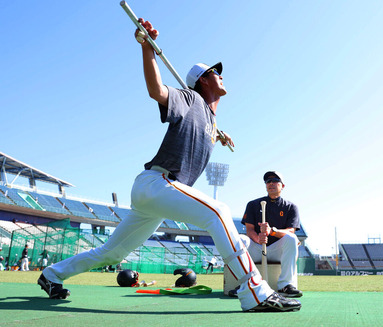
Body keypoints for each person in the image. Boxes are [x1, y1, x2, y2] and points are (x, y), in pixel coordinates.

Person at [38, 18, 301, 312]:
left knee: (112, 253)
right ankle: (255, 292)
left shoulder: (211, 119)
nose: (222, 76)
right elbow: (157, 91)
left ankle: (51, 274)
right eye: (216, 73)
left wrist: (218, 133)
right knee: (220, 211)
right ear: (203, 80)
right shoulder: (189, 98)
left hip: (159, 197)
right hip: (157, 183)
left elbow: (209, 120)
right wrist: (147, 48)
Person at [238, 171, 303, 298]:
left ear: (282, 185)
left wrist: (272, 231)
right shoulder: (253, 204)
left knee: (292, 238)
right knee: (241, 239)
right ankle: (244, 284)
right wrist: (258, 238)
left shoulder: (291, 207)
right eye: (268, 181)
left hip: (277, 251)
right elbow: (249, 229)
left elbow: (291, 230)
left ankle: (286, 285)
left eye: (275, 180)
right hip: (257, 249)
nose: (271, 183)